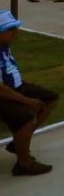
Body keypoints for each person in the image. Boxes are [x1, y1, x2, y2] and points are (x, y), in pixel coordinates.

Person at [0, 10, 58, 175]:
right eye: (10, 30)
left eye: (15, 28)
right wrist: (27, 100)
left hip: (14, 87)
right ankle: (23, 164)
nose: (15, 33)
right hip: (3, 93)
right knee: (27, 117)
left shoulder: (3, 45)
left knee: (51, 99)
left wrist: (22, 83)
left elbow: (8, 69)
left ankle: (17, 143)